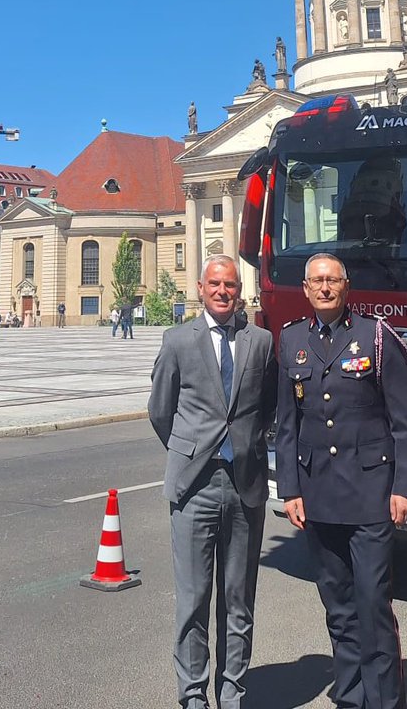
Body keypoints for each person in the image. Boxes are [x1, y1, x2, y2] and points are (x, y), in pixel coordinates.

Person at [275, 253, 407, 709]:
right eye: (316, 281)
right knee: (338, 609)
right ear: (305, 288)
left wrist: (403, 487)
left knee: (373, 605)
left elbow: (405, 422)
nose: (324, 288)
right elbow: (286, 424)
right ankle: (352, 698)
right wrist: (290, 489)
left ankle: (384, 702)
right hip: (317, 497)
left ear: (346, 286)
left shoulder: (375, 338)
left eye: (332, 280)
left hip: (370, 496)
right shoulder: (291, 340)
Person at [149, 256, 278, 709]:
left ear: (238, 291)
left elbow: (269, 406)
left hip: (244, 485)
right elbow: (161, 410)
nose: (223, 291)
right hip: (194, 486)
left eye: (231, 285)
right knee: (193, 598)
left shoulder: (259, 342)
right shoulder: (178, 340)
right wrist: (188, 448)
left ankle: (232, 691)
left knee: (238, 599)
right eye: (215, 284)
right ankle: (192, 694)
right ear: (201, 288)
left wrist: (248, 445)